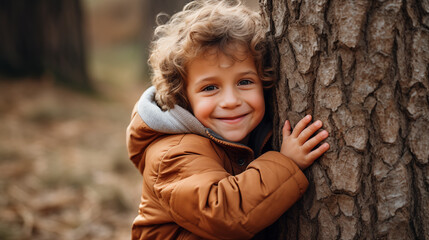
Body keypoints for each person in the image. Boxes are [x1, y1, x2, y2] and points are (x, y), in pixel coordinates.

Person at [126, 0, 330, 239]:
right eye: (210, 87)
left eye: (244, 82)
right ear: (183, 97)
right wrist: (287, 163)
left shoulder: (249, 134)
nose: (231, 101)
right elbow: (223, 213)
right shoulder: (172, 154)